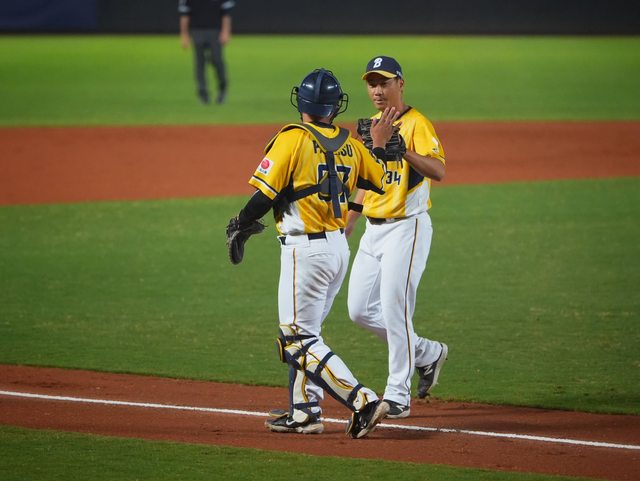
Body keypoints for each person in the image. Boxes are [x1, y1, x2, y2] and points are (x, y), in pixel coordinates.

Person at [229, 68, 401, 438]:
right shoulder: (351, 144)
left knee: (296, 341)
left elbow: (265, 195)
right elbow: (378, 178)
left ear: (301, 103)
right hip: (337, 249)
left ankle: (363, 401)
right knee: (309, 334)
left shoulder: (292, 138)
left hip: (305, 253)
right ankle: (305, 411)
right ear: (335, 107)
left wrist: (241, 222)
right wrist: (379, 145)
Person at [346, 55, 449, 420]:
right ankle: (427, 353)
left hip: (407, 228)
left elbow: (439, 170)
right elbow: (366, 179)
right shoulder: (372, 126)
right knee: (359, 310)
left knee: (395, 308)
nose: (377, 90)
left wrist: (402, 149)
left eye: (384, 82)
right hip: (372, 231)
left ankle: (397, 394)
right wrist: (350, 221)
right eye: (372, 83)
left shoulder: (417, 123)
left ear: (400, 84)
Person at [178, 0, 234, 104]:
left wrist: (226, 31)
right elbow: (184, 15)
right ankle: (202, 92)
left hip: (215, 30)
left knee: (217, 60)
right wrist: (184, 35)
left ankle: (222, 89)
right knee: (200, 62)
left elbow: (226, 13)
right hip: (197, 30)